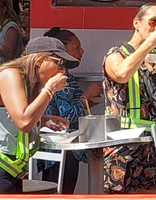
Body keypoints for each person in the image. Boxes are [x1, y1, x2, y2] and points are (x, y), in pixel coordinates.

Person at [102, 4, 156, 193]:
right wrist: (147, 45)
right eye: (154, 22)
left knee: (155, 195)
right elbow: (121, 73)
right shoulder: (116, 54)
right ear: (136, 23)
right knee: (119, 196)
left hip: (155, 144)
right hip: (123, 145)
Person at [0, 36, 77, 194]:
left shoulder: (24, 83)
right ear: (39, 60)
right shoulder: (10, 75)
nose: (63, 71)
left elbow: (10, 119)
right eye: (60, 63)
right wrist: (49, 90)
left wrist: (42, 121)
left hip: (8, 169)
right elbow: (23, 121)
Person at [41, 26, 103, 193]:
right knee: (62, 193)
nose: (81, 51)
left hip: (54, 150)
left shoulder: (59, 78)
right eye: (76, 47)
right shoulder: (63, 80)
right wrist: (85, 97)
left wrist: (88, 101)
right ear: (62, 51)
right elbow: (66, 117)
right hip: (62, 149)